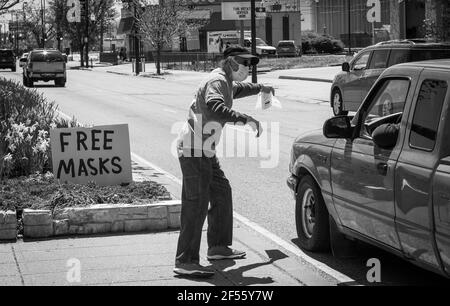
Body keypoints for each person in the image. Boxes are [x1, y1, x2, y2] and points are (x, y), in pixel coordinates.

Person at [174, 45, 275, 278]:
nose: (248, 67)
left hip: (203, 150)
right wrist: (244, 118)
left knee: (221, 192)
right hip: (194, 149)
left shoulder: (226, 81)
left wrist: (261, 87)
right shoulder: (218, 80)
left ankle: (218, 247)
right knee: (196, 204)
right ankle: (185, 260)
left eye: (251, 64)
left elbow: (237, 89)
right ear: (230, 61)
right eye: (244, 62)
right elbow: (215, 105)